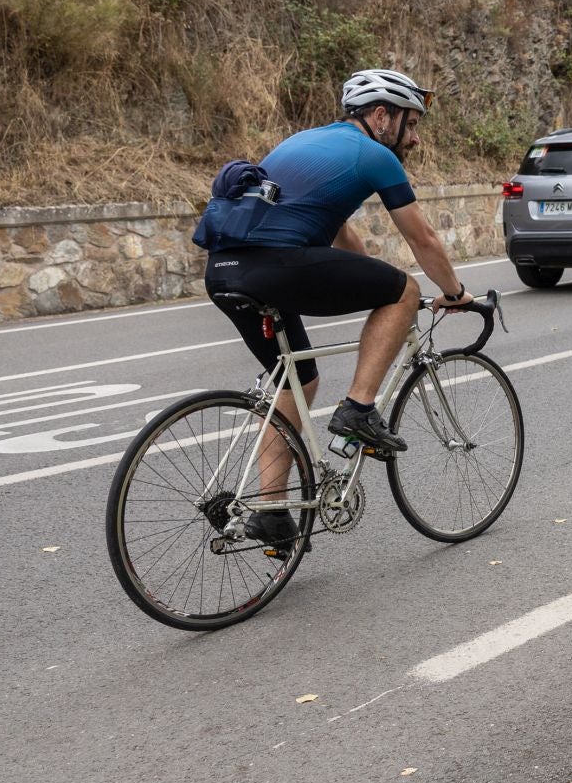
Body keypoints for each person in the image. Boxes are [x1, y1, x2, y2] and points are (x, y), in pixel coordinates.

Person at [194, 68, 474, 546]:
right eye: (412, 123)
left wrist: (368, 281)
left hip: (223, 271)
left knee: (298, 379)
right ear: (382, 116)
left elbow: (340, 234)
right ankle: (359, 410)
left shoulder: (306, 143)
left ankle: (272, 510)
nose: (416, 138)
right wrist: (452, 293)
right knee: (404, 289)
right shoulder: (375, 155)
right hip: (276, 265)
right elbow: (422, 237)